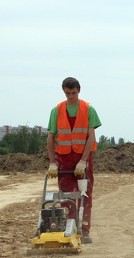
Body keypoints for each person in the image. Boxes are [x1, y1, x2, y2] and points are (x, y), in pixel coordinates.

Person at [46, 77, 101, 244]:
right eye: (67, 93)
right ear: (64, 91)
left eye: (74, 93)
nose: (71, 96)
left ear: (79, 91)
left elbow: (91, 136)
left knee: (85, 193)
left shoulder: (88, 109)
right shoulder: (57, 110)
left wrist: (83, 160)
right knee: (66, 195)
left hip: (83, 157)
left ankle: (84, 230)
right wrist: (52, 162)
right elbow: (51, 137)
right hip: (63, 158)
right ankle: (69, 227)